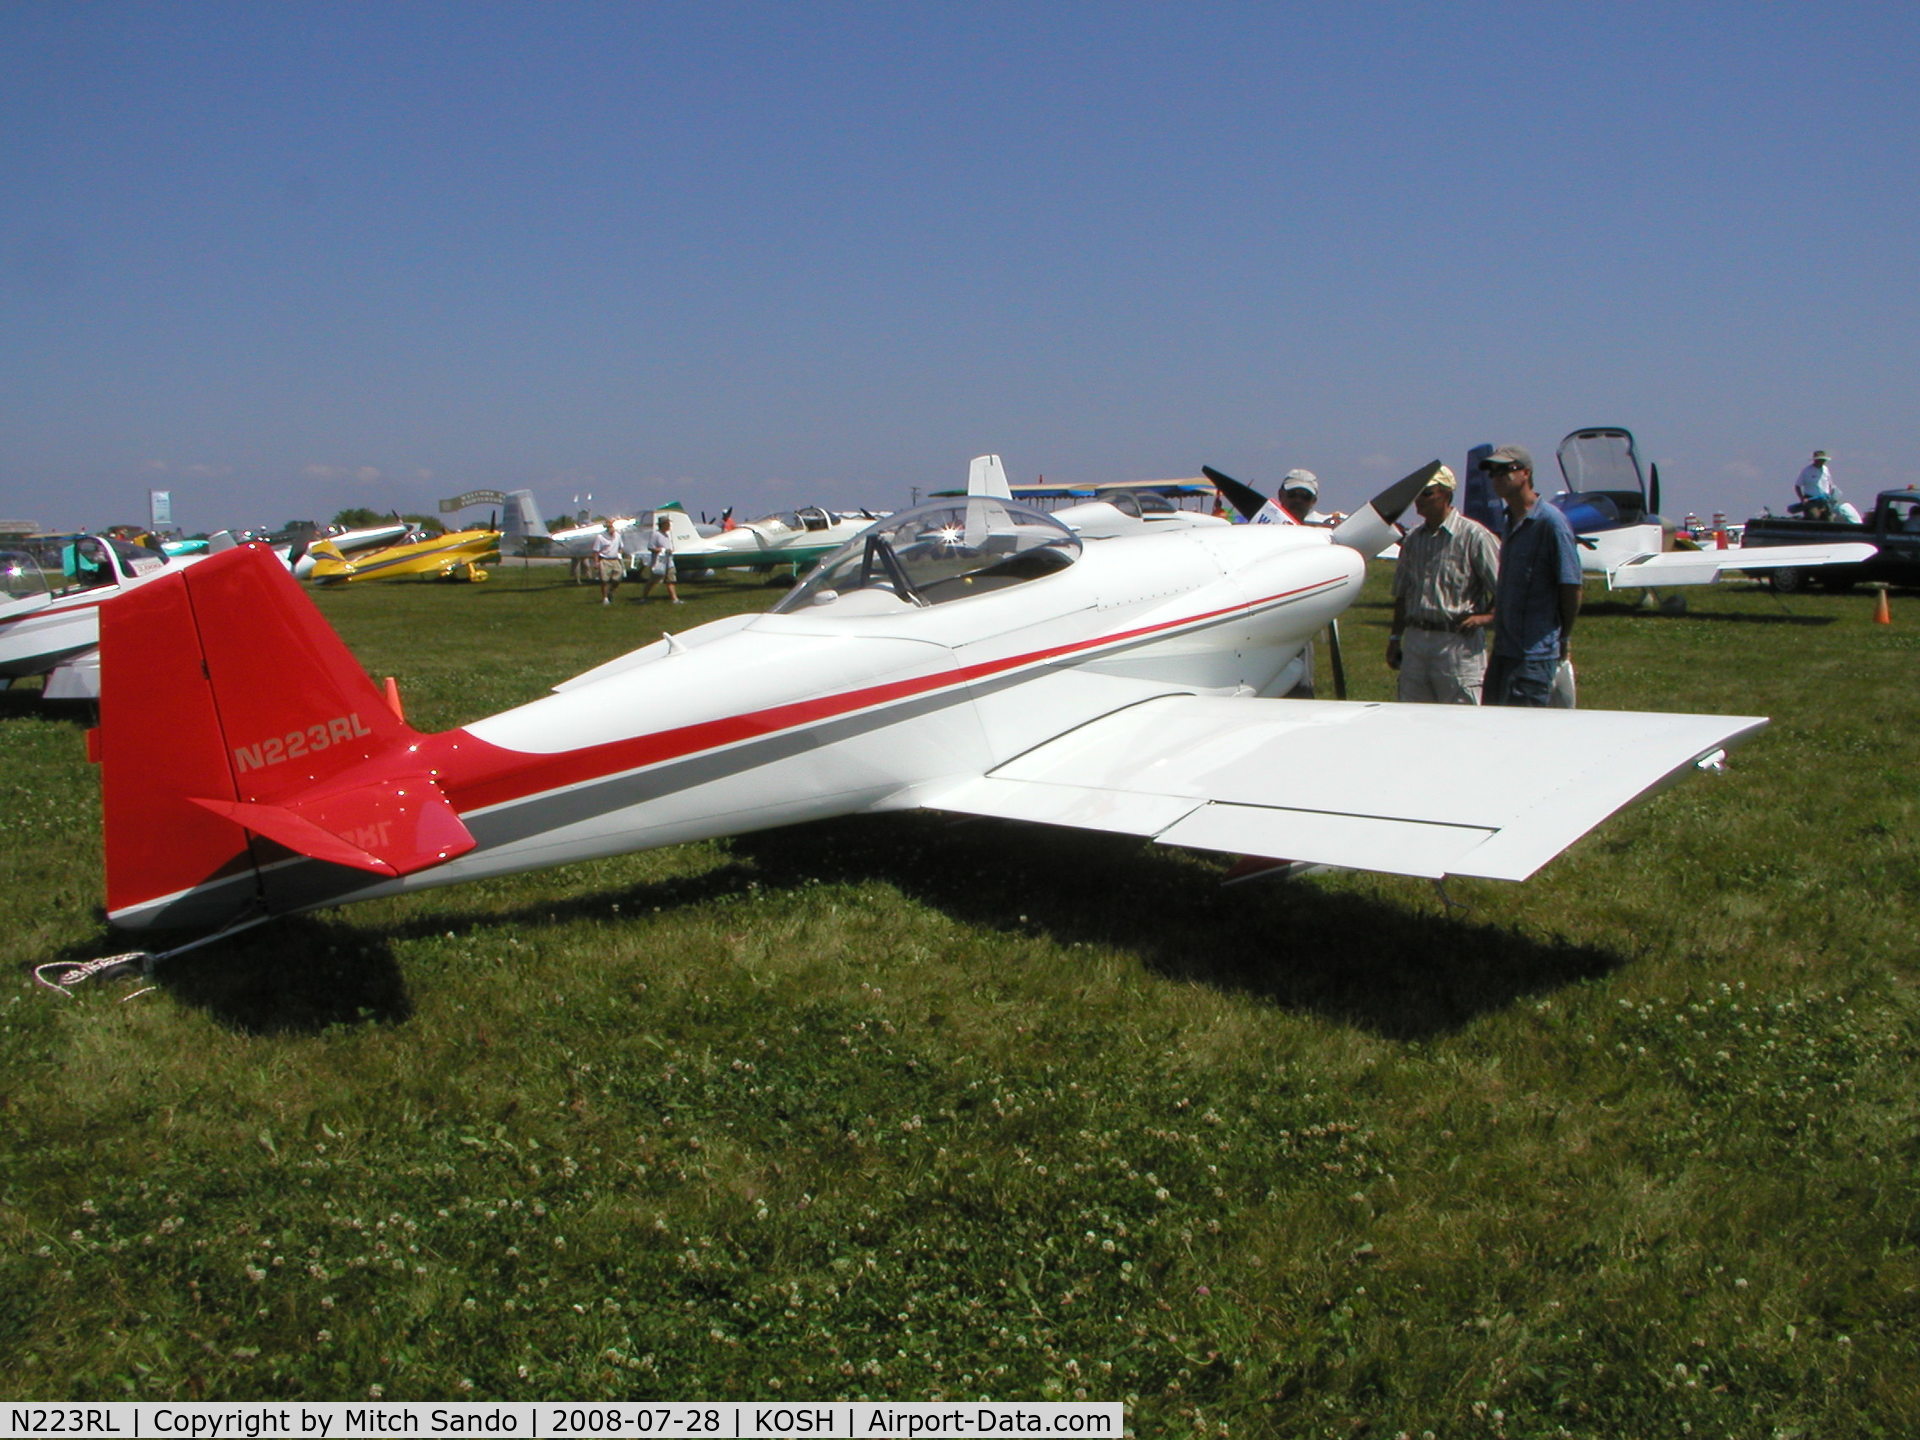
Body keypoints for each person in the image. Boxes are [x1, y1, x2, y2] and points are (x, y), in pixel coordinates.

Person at [1386, 465, 1500, 704]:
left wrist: (1487, 617)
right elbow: (1403, 594)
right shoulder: (1413, 539)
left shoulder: (1475, 536)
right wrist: (1395, 639)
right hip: (1416, 640)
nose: (1419, 500)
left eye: (1427, 493)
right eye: (1417, 494)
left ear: (1446, 494)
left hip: (1457, 643)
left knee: (1461, 720)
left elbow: (1505, 588)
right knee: (1412, 717)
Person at [1482, 445, 1582, 707]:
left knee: (1523, 730)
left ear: (1526, 473)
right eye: (1492, 472)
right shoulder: (1509, 521)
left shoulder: (1551, 523)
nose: (1496, 477)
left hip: (1533, 655)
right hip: (1503, 651)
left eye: (1505, 470)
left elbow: (1570, 586)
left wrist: (1564, 637)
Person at [642, 514, 681, 603]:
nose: (669, 526)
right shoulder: (656, 534)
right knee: (653, 580)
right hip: (659, 562)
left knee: (671, 580)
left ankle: (674, 599)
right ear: (663, 524)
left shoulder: (667, 535)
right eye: (667, 524)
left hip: (669, 561)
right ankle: (644, 597)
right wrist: (661, 550)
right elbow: (651, 547)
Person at [589, 519, 623, 605]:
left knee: (618, 578)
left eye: (612, 527)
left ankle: (611, 591)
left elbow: (621, 547)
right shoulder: (600, 537)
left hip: (615, 559)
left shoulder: (618, 536)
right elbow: (596, 551)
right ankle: (605, 598)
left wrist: (619, 554)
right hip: (604, 560)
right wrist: (596, 562)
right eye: (609, 527)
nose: (612, 529)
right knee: (604, 580)